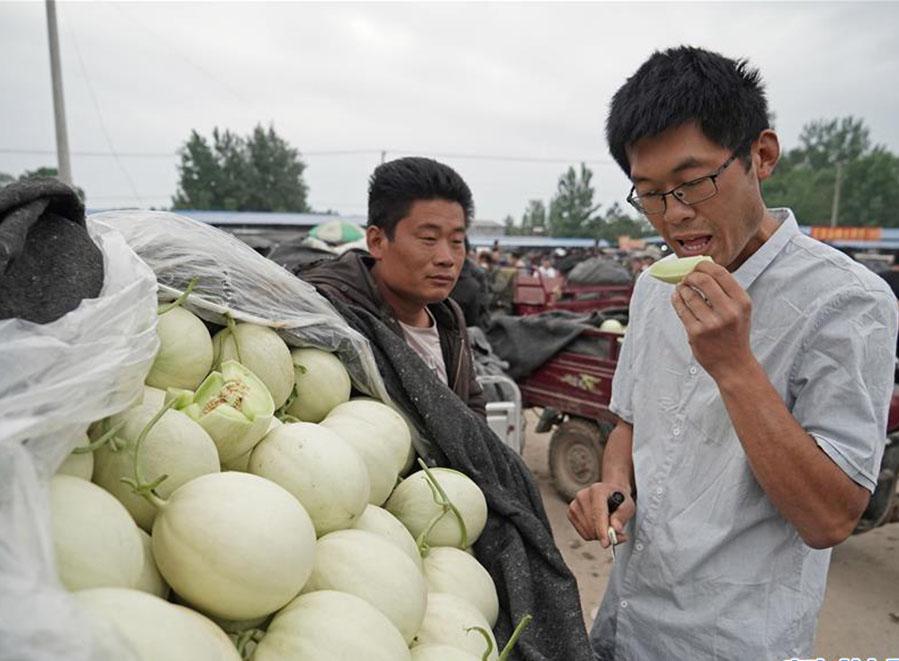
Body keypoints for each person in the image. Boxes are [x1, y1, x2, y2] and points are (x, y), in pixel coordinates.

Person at [567, 46, 897, 660]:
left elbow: (829, 518)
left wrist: (734, 366)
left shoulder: (847, 301)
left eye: (694, 182)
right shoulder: (653, 286)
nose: (675, 215)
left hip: (730, 643)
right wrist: (613, 486)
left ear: (761, 156)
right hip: (625, 622)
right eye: (650, 194)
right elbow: (630, 421)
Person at [302, 156, 486, 418]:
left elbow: (471, 404)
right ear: (377, 241)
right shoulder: (333, 315)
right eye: (429, 238)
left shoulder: (449, 318)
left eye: (457, 241)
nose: (447, 258)